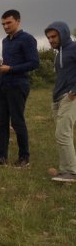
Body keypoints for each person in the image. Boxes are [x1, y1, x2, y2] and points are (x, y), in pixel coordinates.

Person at [0, 9, 40, 168]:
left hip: (18, 85)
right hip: (3, 85)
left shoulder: (27, 39)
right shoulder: (6, 41)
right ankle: (1, 156)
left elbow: (33, 63)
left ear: (18, 21)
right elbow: (6, 62)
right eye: (3, 24)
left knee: (17, 121)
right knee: (1, 122)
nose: (5, 26)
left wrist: (10, 69)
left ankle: (24, 157)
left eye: (8, 23)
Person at [45, 21, 76, 182]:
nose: (51, 40)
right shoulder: (58, 54)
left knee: (62, 133)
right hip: (57, 98)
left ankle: (71, 172)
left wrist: (74, 91)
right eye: (49, 37)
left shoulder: (74, 48)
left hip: (70, 96)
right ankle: (65, 170)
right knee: (64, 134)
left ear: (63, 33)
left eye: (54, 36)